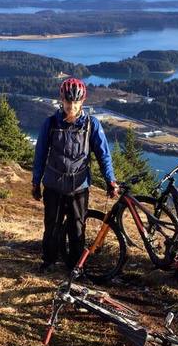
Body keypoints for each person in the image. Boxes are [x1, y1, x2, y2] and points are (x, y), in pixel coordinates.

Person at [32, 77, 119, 273]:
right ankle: (49, 262)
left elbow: (103, 154)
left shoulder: (91, 125)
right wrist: (35, 182)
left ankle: (75, 267)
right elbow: (40, 154)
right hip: (54, 185)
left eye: (76, 102)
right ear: (61, 100)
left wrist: (110, 179)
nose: (71, 106)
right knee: (52, 227)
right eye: (68, 101)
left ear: (82, 102)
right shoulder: (51, 123)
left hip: (79, 188)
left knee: (77, 229)